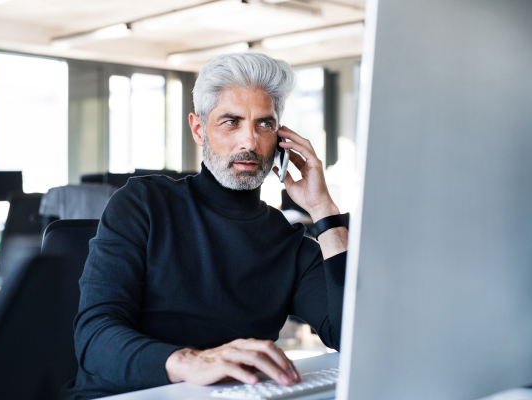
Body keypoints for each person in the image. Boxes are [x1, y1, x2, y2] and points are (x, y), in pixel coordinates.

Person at [62, 53, 348, 400]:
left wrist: (324, 209)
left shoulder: (289, 244)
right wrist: (190, 362)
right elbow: (94, 338)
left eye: (264, 124)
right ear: (199, 129)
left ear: (280, 138)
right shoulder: (144, 204)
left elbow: (351, 336)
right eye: (231, 122)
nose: (250, 142)